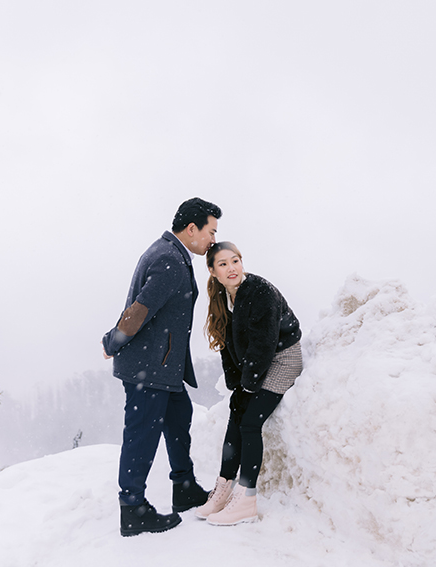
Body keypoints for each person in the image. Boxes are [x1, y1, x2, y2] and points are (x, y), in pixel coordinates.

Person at [102, 197, 222, 537]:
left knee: (179, 417)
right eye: (211, 231)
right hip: (148, 367)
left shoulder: (172, 253)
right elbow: (140, 310)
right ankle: (133, 509)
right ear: (191, 228)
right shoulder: (169, 259)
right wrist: (112, 342)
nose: (213, 239)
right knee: (141, 435)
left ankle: (184, 487)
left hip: (162, 367)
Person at [194, 241, 303, 526]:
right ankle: (223, 489)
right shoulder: (223, 298)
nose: (232, 268)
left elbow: (263, 345)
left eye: (235, 261)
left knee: (250, 422)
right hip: (257, 362)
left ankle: (246, 499)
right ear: (212, 271)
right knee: (236, 415)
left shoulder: (259, 292)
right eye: (223, 264)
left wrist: (249, 386)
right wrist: (236, 386)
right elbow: (227, 346)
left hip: (282, 359)